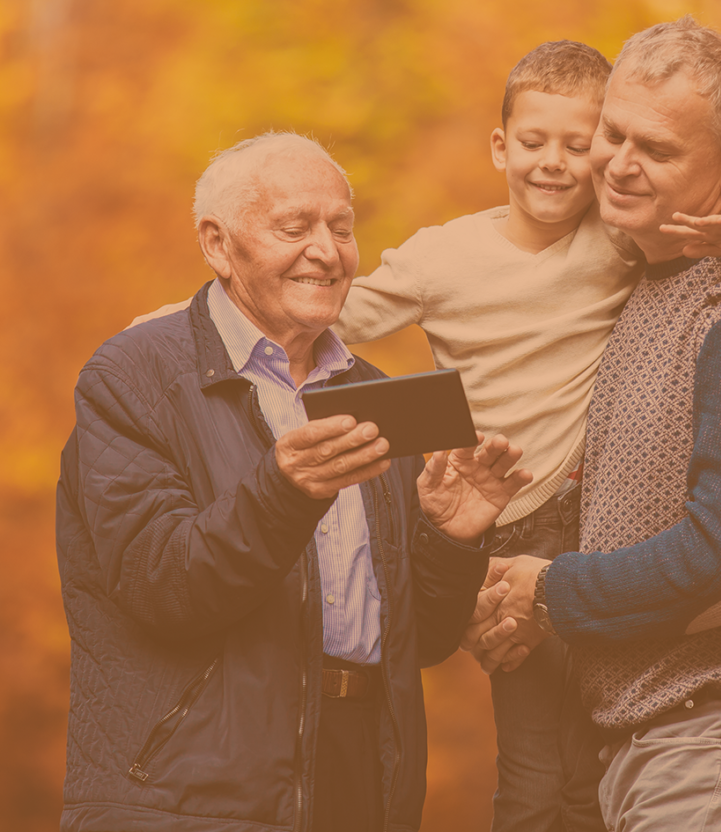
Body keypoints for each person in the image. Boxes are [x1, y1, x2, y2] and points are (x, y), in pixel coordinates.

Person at [329, 40, 721, 832]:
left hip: (600, 519)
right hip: (507, 528)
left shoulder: (612, 239)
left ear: (603, 152)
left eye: (580, 146)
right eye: (534, 143)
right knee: (536, 767)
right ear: (500, 146)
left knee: (599, 756)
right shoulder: (442, 258)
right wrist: (191, 321)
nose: (555, 164)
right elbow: (328, 319)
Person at [465, 17, 721, 832]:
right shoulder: (646, 270)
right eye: (611, 134)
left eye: (654, 150)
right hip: (651, 744)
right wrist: (509, 600)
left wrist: (546, 591)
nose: (617, 164)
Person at [55, 132, 533, 832]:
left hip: (360, 778)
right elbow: (162, 587)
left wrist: (448, 537)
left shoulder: (373, 394)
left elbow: (418, 640)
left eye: (341, 228)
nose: (327, 250)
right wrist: (285, 492)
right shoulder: (132, 378)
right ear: (217, 245)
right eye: (293, 227)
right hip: (189, 794)